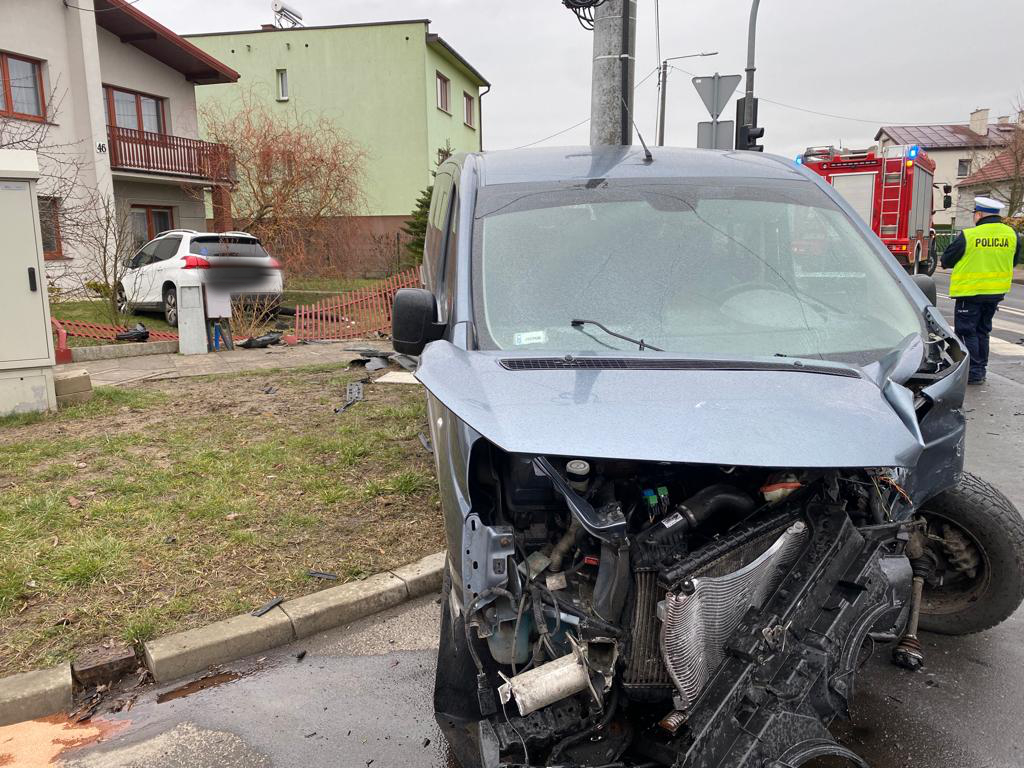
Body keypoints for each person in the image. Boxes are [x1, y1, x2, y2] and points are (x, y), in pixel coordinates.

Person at [941, 196, 1023, 384]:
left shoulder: (969, 235)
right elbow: (1013, 261)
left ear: (979, 214)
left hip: (970, 292)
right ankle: (981, 370)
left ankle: (973, 372)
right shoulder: (1012, 234)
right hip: (996, 293)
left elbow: (946, 260)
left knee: (966, 332)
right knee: (982, 332)